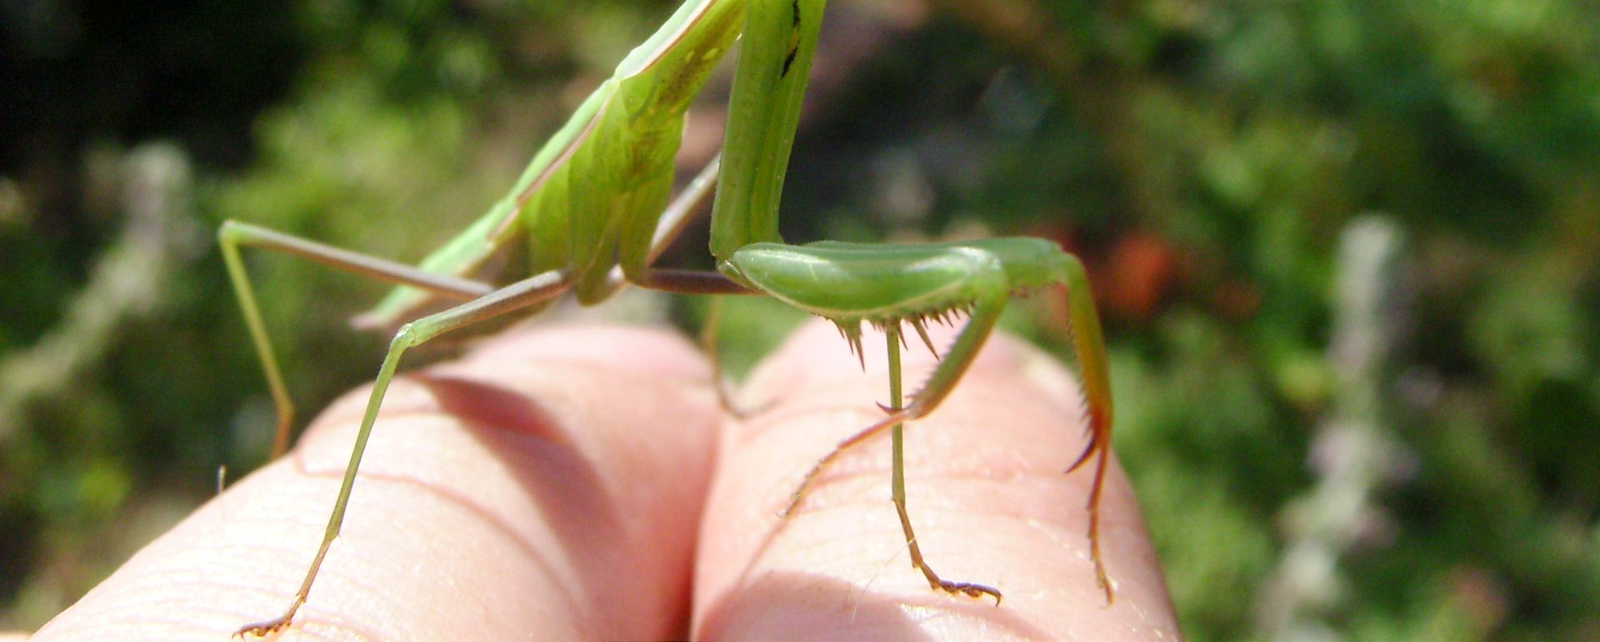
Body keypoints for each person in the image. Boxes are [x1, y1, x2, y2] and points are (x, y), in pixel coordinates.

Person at [32, 318, 1180, 641]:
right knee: (392, 348)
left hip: (589, 349)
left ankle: (902, 512)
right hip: (480, 292)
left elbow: (730, 248)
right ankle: (306, 579)